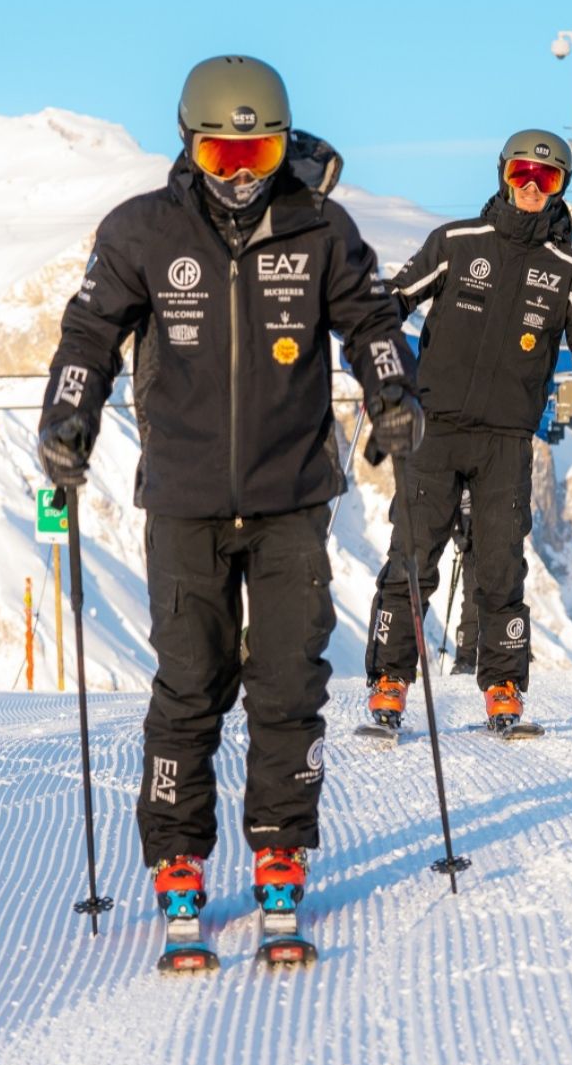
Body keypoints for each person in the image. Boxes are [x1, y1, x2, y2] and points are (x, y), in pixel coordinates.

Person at [38, 54, 421, 949]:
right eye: (222, 157)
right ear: (189, 145)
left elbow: (371, 322)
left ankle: (281, 848)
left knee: (288, 683)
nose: (242, 178)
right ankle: (178, 859)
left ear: (283, 148)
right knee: (190, 685)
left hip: (293, 498)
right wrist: (68, 419)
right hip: (185, 499)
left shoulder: (320, 228)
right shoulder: (142, 232)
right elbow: (89, 334)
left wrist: (394, 393)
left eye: (260, 156)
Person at [363, 128, 572, 732]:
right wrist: (374, 315)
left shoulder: (569, 272)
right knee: (412, 556)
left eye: (547, 178)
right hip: (435, 428)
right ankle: (390, 681)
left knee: (501, 566)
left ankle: (504, 686)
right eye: (522, 175)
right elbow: (398, 294)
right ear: (504, 176)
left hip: (506, 439)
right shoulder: (457, 243)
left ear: (561, 188)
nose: (532, 187)